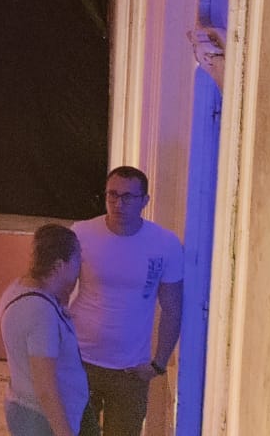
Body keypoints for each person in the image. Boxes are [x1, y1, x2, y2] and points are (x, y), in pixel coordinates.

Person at [70, 166, 184, 436]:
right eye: (112, 195)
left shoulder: (165, 244)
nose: (118, 204)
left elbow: (172, 307)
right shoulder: (82, 234)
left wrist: (158, 363)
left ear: (145, 200)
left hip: (131, 371)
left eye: (128, 197)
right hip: (80, 360)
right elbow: (58, 291)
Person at [0, 224, 88, 436]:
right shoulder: (40, 312)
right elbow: (45, 388)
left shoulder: (18, 288)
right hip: (40, 420)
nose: (81, 265)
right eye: (77, 259)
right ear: (59, 266)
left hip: (26, 409)